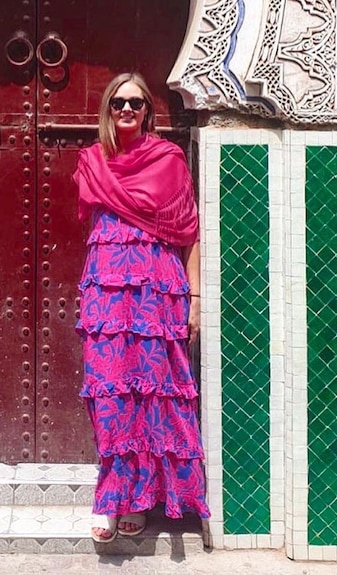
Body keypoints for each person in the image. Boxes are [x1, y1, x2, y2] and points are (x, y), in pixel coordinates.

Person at [73, 72, 210, 542]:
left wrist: (194, 299)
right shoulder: (92, 161)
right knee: (110, 393)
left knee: (152, 396)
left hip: (157, 292)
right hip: (108, 293)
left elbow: (188, 234)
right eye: (118, 103)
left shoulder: (168, 160)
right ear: (107, 110)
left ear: (148, 110)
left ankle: (139, 499)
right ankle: (111, 496)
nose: (127, 110)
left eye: (135, 103)